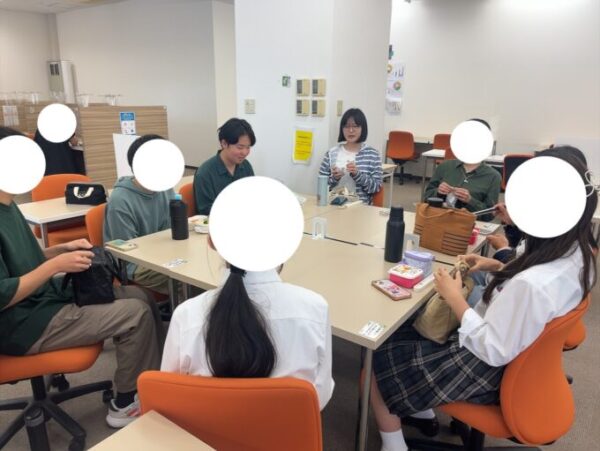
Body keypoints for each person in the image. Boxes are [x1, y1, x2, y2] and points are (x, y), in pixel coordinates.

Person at [368, 148, 596, 451]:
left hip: (490, 366)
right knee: (411, 328)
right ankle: (419, 409)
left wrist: (454, 297)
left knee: (380, 353)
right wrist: (497, 265)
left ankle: (394, 444)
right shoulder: (578, 253)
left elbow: (491, 346)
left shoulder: (532, 285)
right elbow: (528, 285)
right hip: (519, 355)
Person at [0, 126, 164, 428]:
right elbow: (3, 294)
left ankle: (152, 381)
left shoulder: (9, 206)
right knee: (135, 313)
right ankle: (125, 402)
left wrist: (60, 250)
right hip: (22, 323)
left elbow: (23, 261)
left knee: (138, 295)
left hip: (41, 300)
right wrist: (56, 265)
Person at [161, 186, 334, 410]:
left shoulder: (186, 316)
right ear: (289, 243)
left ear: (211, 241)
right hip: (286, 429)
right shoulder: (315, 309)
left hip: (205, 430)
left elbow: (170, 395)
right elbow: (320, 397)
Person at [104, 134, 174, 295]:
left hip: (165, 253)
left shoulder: (166, 188)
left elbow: (171, 232)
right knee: (188, 279)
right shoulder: (120, 200)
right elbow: (127, 251)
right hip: (134, 264)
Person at [423, 119, 500, 221]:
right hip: (439, 220)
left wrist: (470, 200)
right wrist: (438, 192)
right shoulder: (445, 166)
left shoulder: (493, 176)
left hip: (468, 225)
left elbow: (489, 215)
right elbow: (425, 198)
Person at [319, 108, 382, 204]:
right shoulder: (331, 154)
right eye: (347, 126)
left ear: (363, 128)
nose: (351, 130)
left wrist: (357, 175)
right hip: (333, 206)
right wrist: (335, 178)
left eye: (355, 126)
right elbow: (321, 186)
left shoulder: (372, 155)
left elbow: (375, 188)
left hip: (360, 208)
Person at [193, 118, 255, 215]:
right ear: (224, 143)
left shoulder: (246, 166)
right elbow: (206, 210)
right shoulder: (205, 173)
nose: (245, 152)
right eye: (240, 147)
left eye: (248, 147)